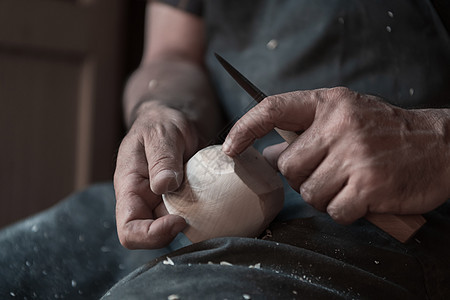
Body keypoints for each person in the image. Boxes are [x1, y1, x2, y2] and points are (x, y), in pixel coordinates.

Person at [1, 0, 450, 299]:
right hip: (200, 191)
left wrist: (437, 140)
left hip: (388, 209)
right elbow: (171, 54)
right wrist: (161, 108)